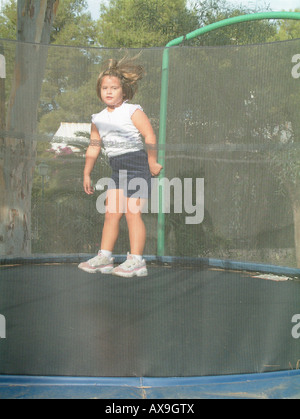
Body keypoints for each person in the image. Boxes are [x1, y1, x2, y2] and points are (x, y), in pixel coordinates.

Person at [78, 54, 162, 277]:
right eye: (105, 87)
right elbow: (94, 147)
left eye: (113, 88)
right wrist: (87, 173)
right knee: (111, 213)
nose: (108, 91)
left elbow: (149, 135)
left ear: (123, 91)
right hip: (117, 169)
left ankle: (137, 260)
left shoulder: (132, 110)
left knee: (132, 213)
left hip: (137, 165)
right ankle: (105, 257)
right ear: (99, 90)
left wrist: (152, 161)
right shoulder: (97, 118)